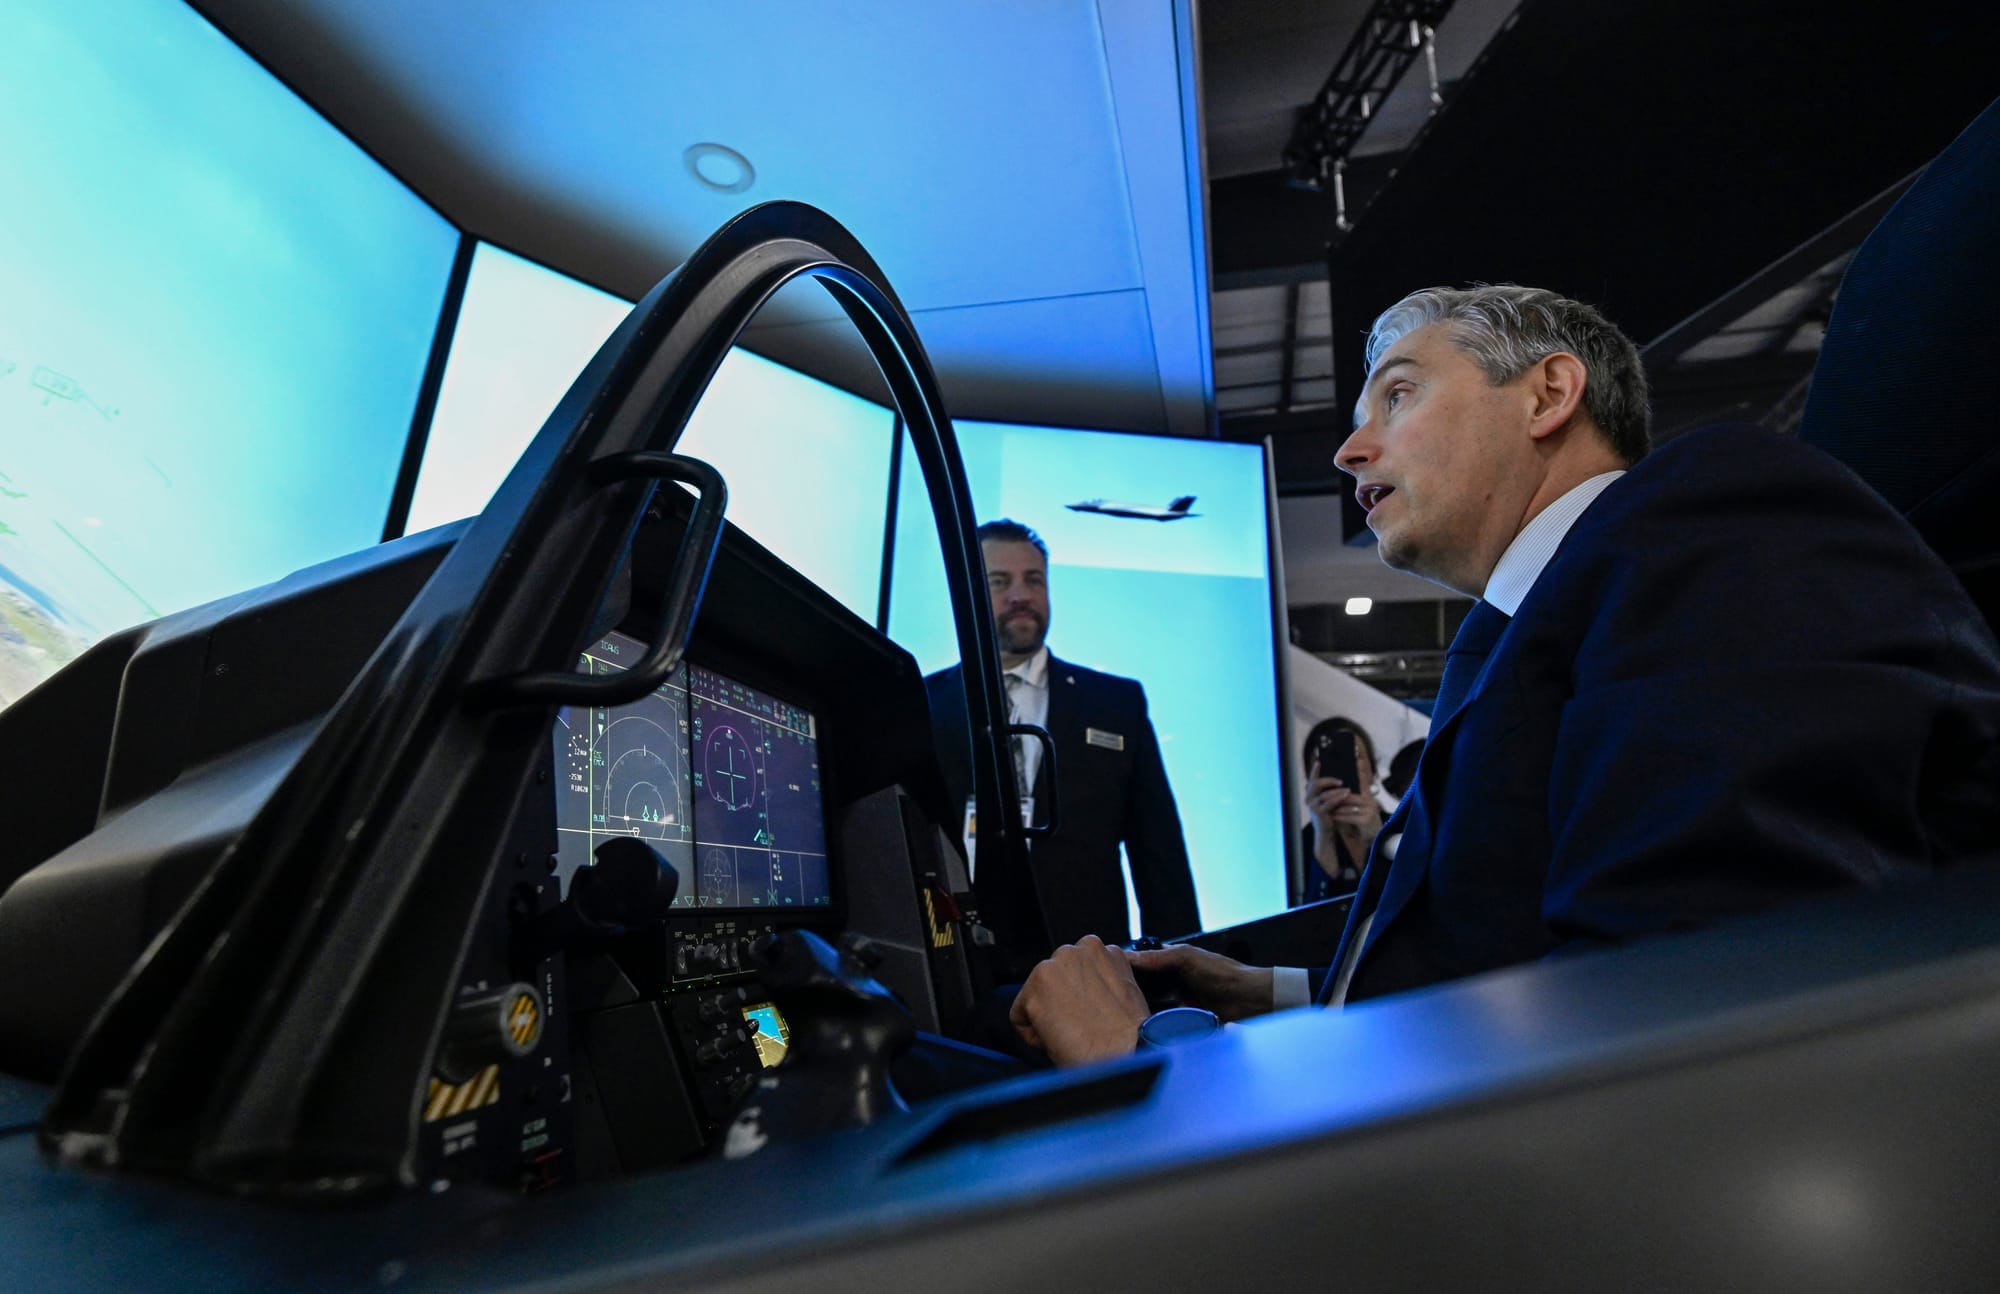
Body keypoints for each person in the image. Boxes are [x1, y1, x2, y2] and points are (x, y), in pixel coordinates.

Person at [1008, 283, 2000, 1067]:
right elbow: (1503, 961)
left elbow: (1677, 1036)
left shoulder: (1710, 520)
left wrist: (1123, 1066)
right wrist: (1266, 990)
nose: (1351, 447)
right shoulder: (1530, 631)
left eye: (1397, 393)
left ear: (1547, 393)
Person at [926, 519, 1200, 976]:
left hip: (1089, 970)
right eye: (999, 581)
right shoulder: (926, 703)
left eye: (1034, 580)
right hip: (958, 968)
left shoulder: (1116, 704)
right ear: (966, 591)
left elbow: (1160, 857)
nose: (1021, 595)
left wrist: (1183, 973)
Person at [1296, 717, 1384, 903]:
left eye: (1355, 755)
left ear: (1373, 769)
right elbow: (1306, 922)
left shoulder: (1404, 828)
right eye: (1325, 760)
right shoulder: (1299, 845)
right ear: (1311, 776)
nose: (1344, 765)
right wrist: (1324, 838)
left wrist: (1379, 838)